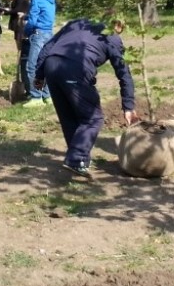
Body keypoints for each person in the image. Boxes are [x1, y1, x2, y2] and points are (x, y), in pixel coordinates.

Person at [34, 18, 139, 177]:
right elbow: (124, 74)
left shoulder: (77, 23)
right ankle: (76, 159)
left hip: (51, 66)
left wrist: (40, 75)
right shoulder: (112, 37)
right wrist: (129, 107)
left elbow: (48, 45)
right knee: (93, 118)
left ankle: (77, 160)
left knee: (69, 117)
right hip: (75, 69)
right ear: (118, 25)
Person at [21, 0, 56, 108]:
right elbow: (43, 16)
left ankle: (36, 97)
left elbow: (34, 20)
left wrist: (26, 32)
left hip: (38, 34)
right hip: (49, 34)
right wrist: (26, 17)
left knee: (32, 66)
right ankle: (47, 96)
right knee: (44, 66)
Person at [4, 0, 31, 84]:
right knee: (19, 47)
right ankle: (21, 64)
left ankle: (21, 65)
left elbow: (17, 10)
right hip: (20, 25)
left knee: (20, 47)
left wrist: (7, 11)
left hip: (20, 25)